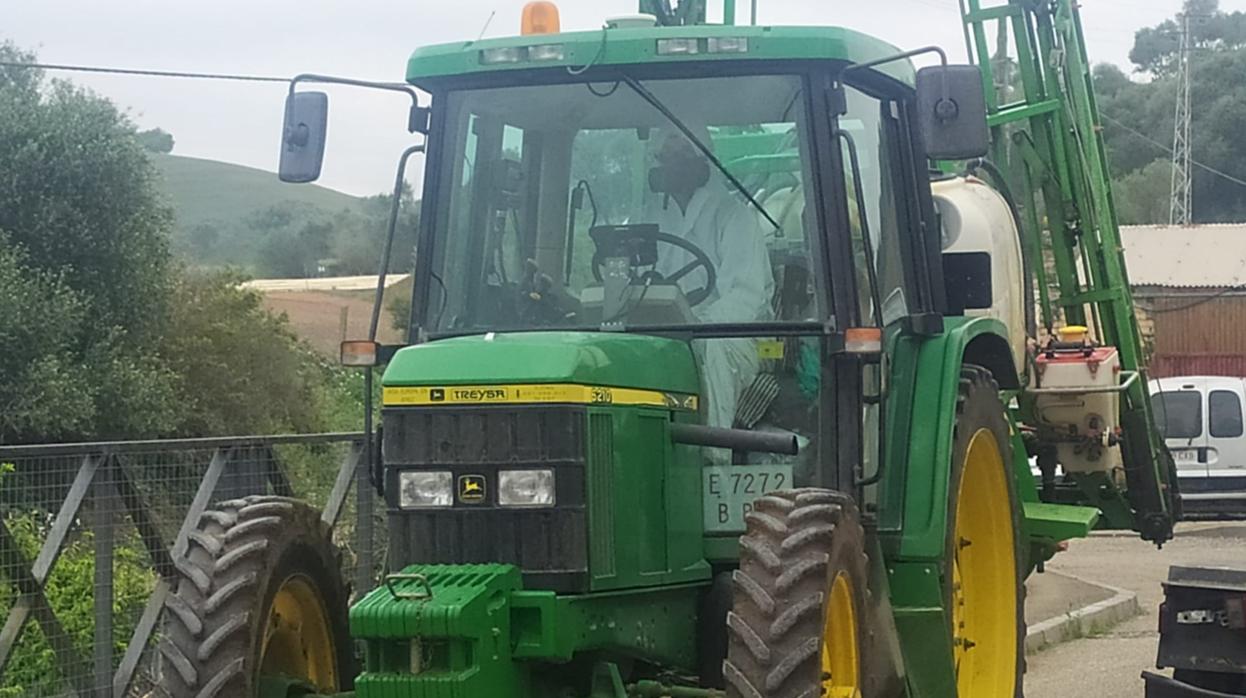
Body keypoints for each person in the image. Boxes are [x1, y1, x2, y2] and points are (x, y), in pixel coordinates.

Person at [644, 127, 775, 436]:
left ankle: (713, 457)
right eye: (667, 156)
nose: (673, 165)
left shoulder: (734, 216)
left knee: (709, 349)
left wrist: (694, 324)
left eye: (682, 155)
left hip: (734, 337)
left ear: (703, 160)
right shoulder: (652, 217)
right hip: (665, 333)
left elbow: (746, 296)